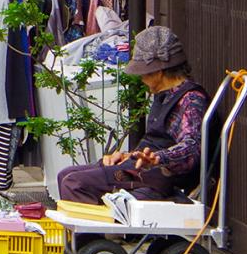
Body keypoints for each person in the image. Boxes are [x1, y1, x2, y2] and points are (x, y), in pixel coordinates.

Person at [56, 26, 210, 203]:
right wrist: (128, 155)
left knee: (74, 183)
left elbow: (192, 147)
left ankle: (95, 230)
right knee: (65, 175)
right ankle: (92, 229)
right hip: (144, 170)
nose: (141, 79)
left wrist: (158, 158)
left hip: (160, 178)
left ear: (158, 71)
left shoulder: (191, 99)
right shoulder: (164, 95)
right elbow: (153, 144)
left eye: (143, 73)